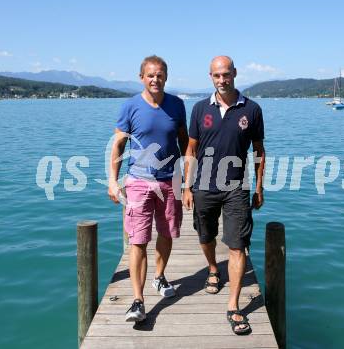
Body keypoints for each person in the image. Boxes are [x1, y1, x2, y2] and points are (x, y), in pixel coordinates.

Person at [183, 56, 265, 335]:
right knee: (205, 236)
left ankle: (234, 306)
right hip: (204, 186)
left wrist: (258, 187)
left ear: (235, 74)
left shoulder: (252, 109)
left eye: (226, 74)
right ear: (210, 76)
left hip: (237, 188)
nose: (222, 80)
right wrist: (186, 186)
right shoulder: (198, 109)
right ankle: (213, 269)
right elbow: (191, 150)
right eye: (217, 75)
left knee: (237, 245)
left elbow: (259, 151)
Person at [108, 55, 188, 322]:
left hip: (169, 181)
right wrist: (112, 180)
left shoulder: (177, 105)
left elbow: (185, 142)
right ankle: (137, 300)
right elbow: (118, 145)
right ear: (141, 77)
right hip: (139, 182)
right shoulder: (130, 106)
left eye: (160, 74)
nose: (156, 79)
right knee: (138, 240)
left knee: (167, 233)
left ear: (166, 76)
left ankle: (159, 276)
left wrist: (189, 179)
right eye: (150, 75)